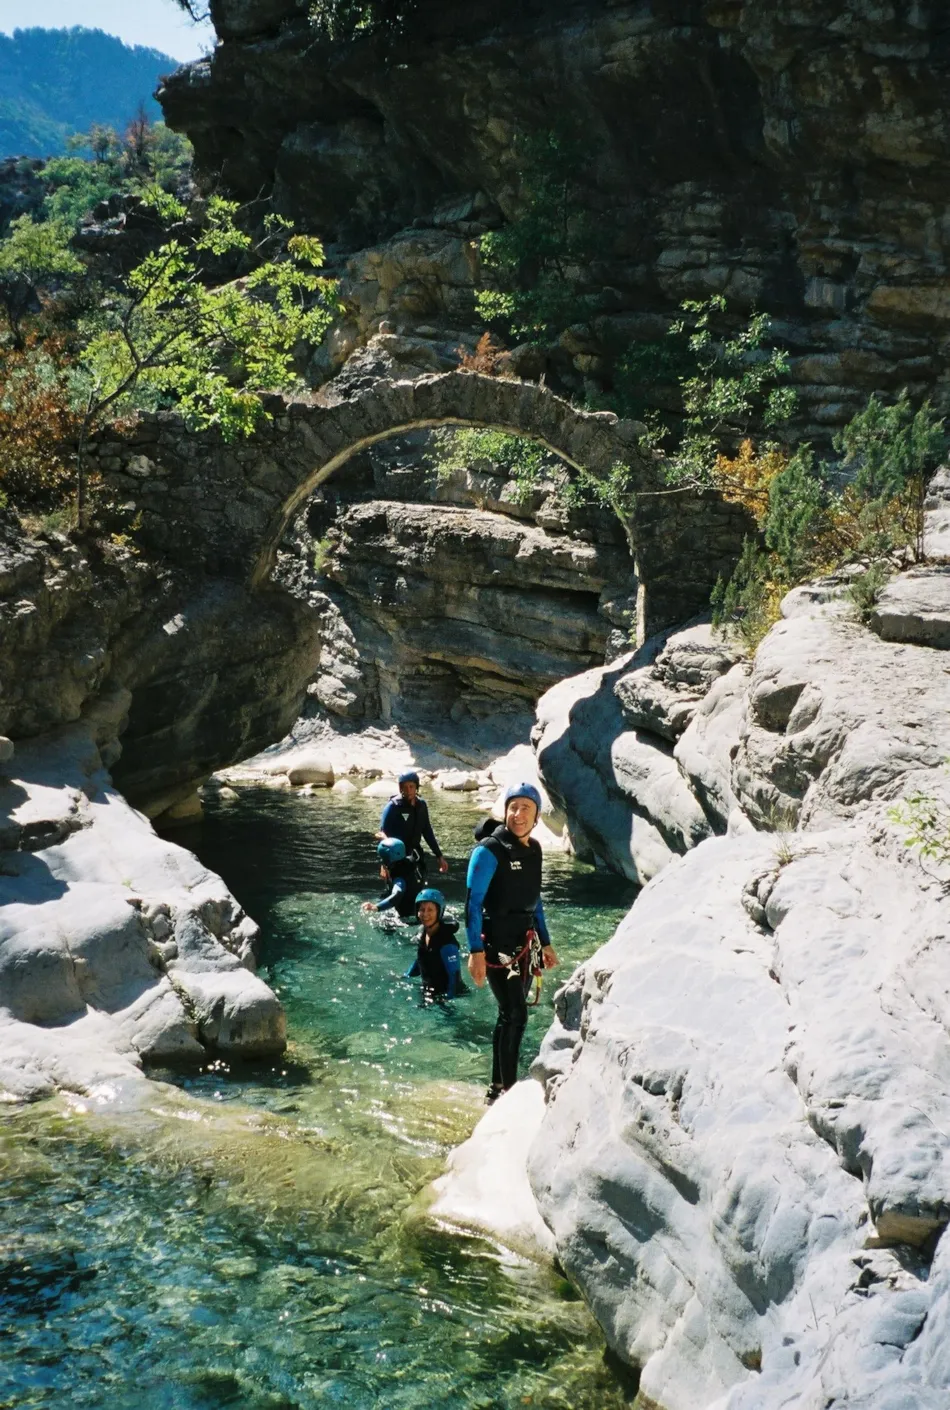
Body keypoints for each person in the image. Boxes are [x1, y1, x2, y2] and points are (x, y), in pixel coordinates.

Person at [465, 782, 558, 1104]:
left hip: (525, 945)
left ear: (537, 816)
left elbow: (535, 901)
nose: (518, 814)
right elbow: (472, 904)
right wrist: (475, 952)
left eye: (526, 808)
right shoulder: (488, 850)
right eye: (513, 807)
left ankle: (495, 1088)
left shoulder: (535, 850)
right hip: (497, 946)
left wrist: (545, 943)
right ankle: (507, 1093)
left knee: (508, 1014)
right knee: (516, 1015)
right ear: (505, 811)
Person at [379, 771, 448, 878]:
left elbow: (427, 832)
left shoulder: (421, 806)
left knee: (418, 884)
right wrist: (384, 864)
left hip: (415, 856)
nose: (408, 790)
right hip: (396, 858)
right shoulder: (393, 807)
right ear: (400, 788)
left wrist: (439, 856)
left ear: (416, 787)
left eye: (411, 786)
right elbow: (382, 835)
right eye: (405, 787)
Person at [404, 888, 465, 999]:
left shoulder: (447, 943)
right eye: (422, 909)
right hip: (429, 992)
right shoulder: (422, 933)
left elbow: (454, 978)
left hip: (447, 995)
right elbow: (421, 960)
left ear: (439, 912)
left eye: (430, 910)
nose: (425, 914)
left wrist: (447, 1001)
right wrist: (406, 976)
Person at [361, 837, 423, 922]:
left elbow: (397, 894)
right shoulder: (409, 862)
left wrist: (376, 907)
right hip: (417, 907)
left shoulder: (399, 877)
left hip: (406, 918)